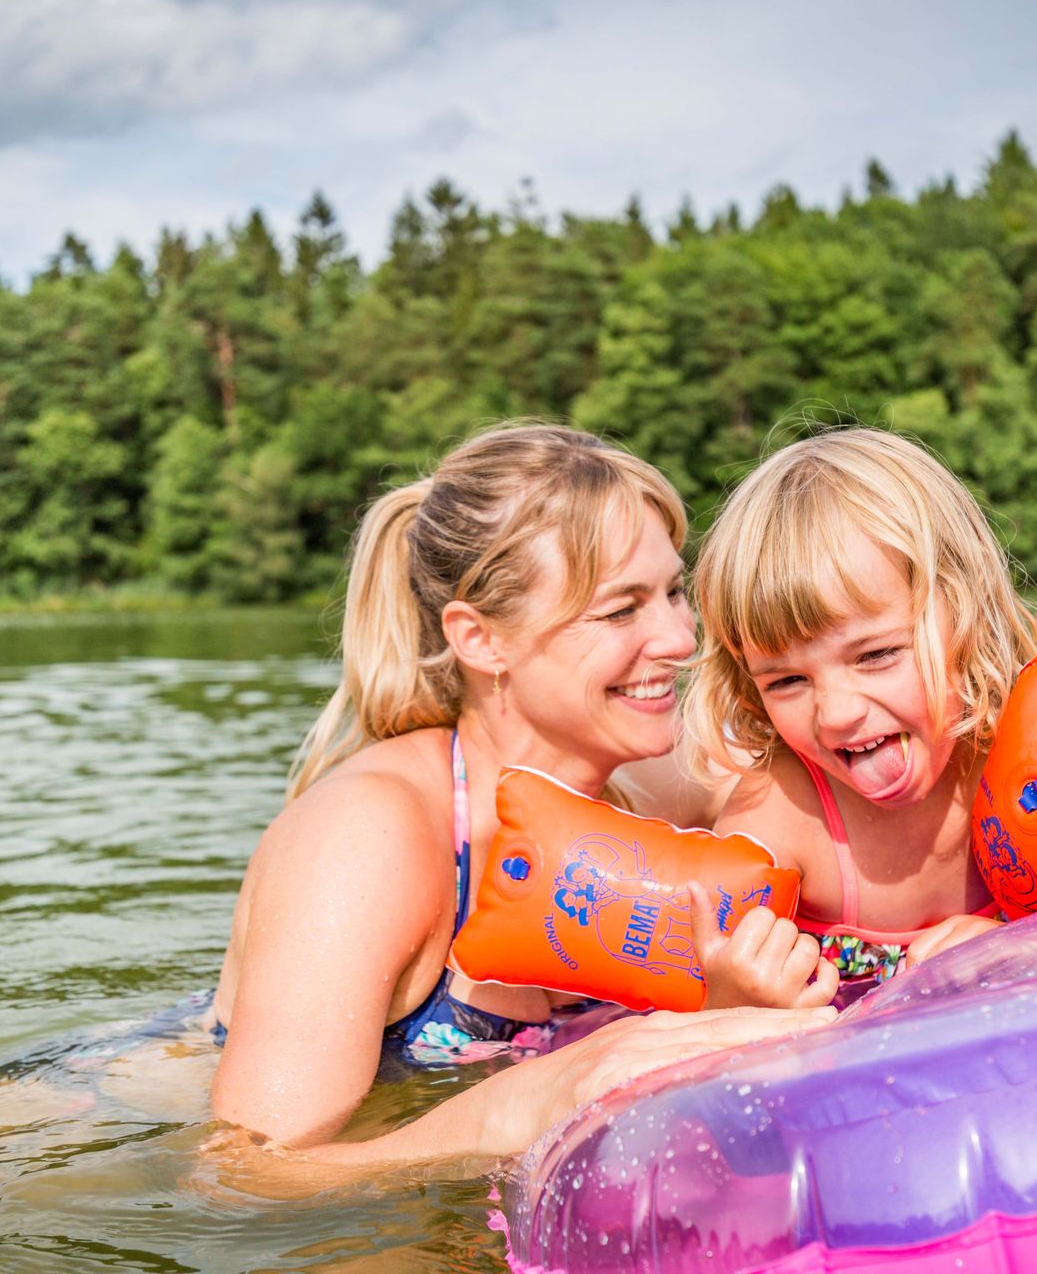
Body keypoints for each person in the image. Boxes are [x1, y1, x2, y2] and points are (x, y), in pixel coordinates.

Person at [204, 423, 831, 1188]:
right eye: (620, 610)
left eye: (673, 591)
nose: (679, 637)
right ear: (481, 640)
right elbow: (246, 1176)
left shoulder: (670, 790)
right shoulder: (369, 838)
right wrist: (524, 1102)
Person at [681, 426, 1037, 1008]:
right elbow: (699, 1003)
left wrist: (1030, 943)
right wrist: (733, 999)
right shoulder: (780, 818)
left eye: (876, 655)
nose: (838, 713)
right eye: (788, 681)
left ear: (968, 619)